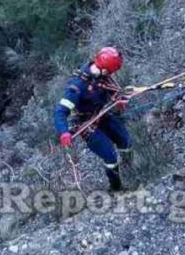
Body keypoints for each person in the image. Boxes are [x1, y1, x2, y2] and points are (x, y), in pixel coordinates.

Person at [53, 47, 132, 191]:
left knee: (125, 140)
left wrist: (119, 102)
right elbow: (60, 112)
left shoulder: (102, 75)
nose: (111, 75)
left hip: (103, 114)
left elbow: (112, 92)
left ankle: (130, 170)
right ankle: (116, 188)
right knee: (110, 156)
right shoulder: (76, 88)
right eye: (110, 72)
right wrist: (64, 132)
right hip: (86, 124)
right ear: (104, 69)